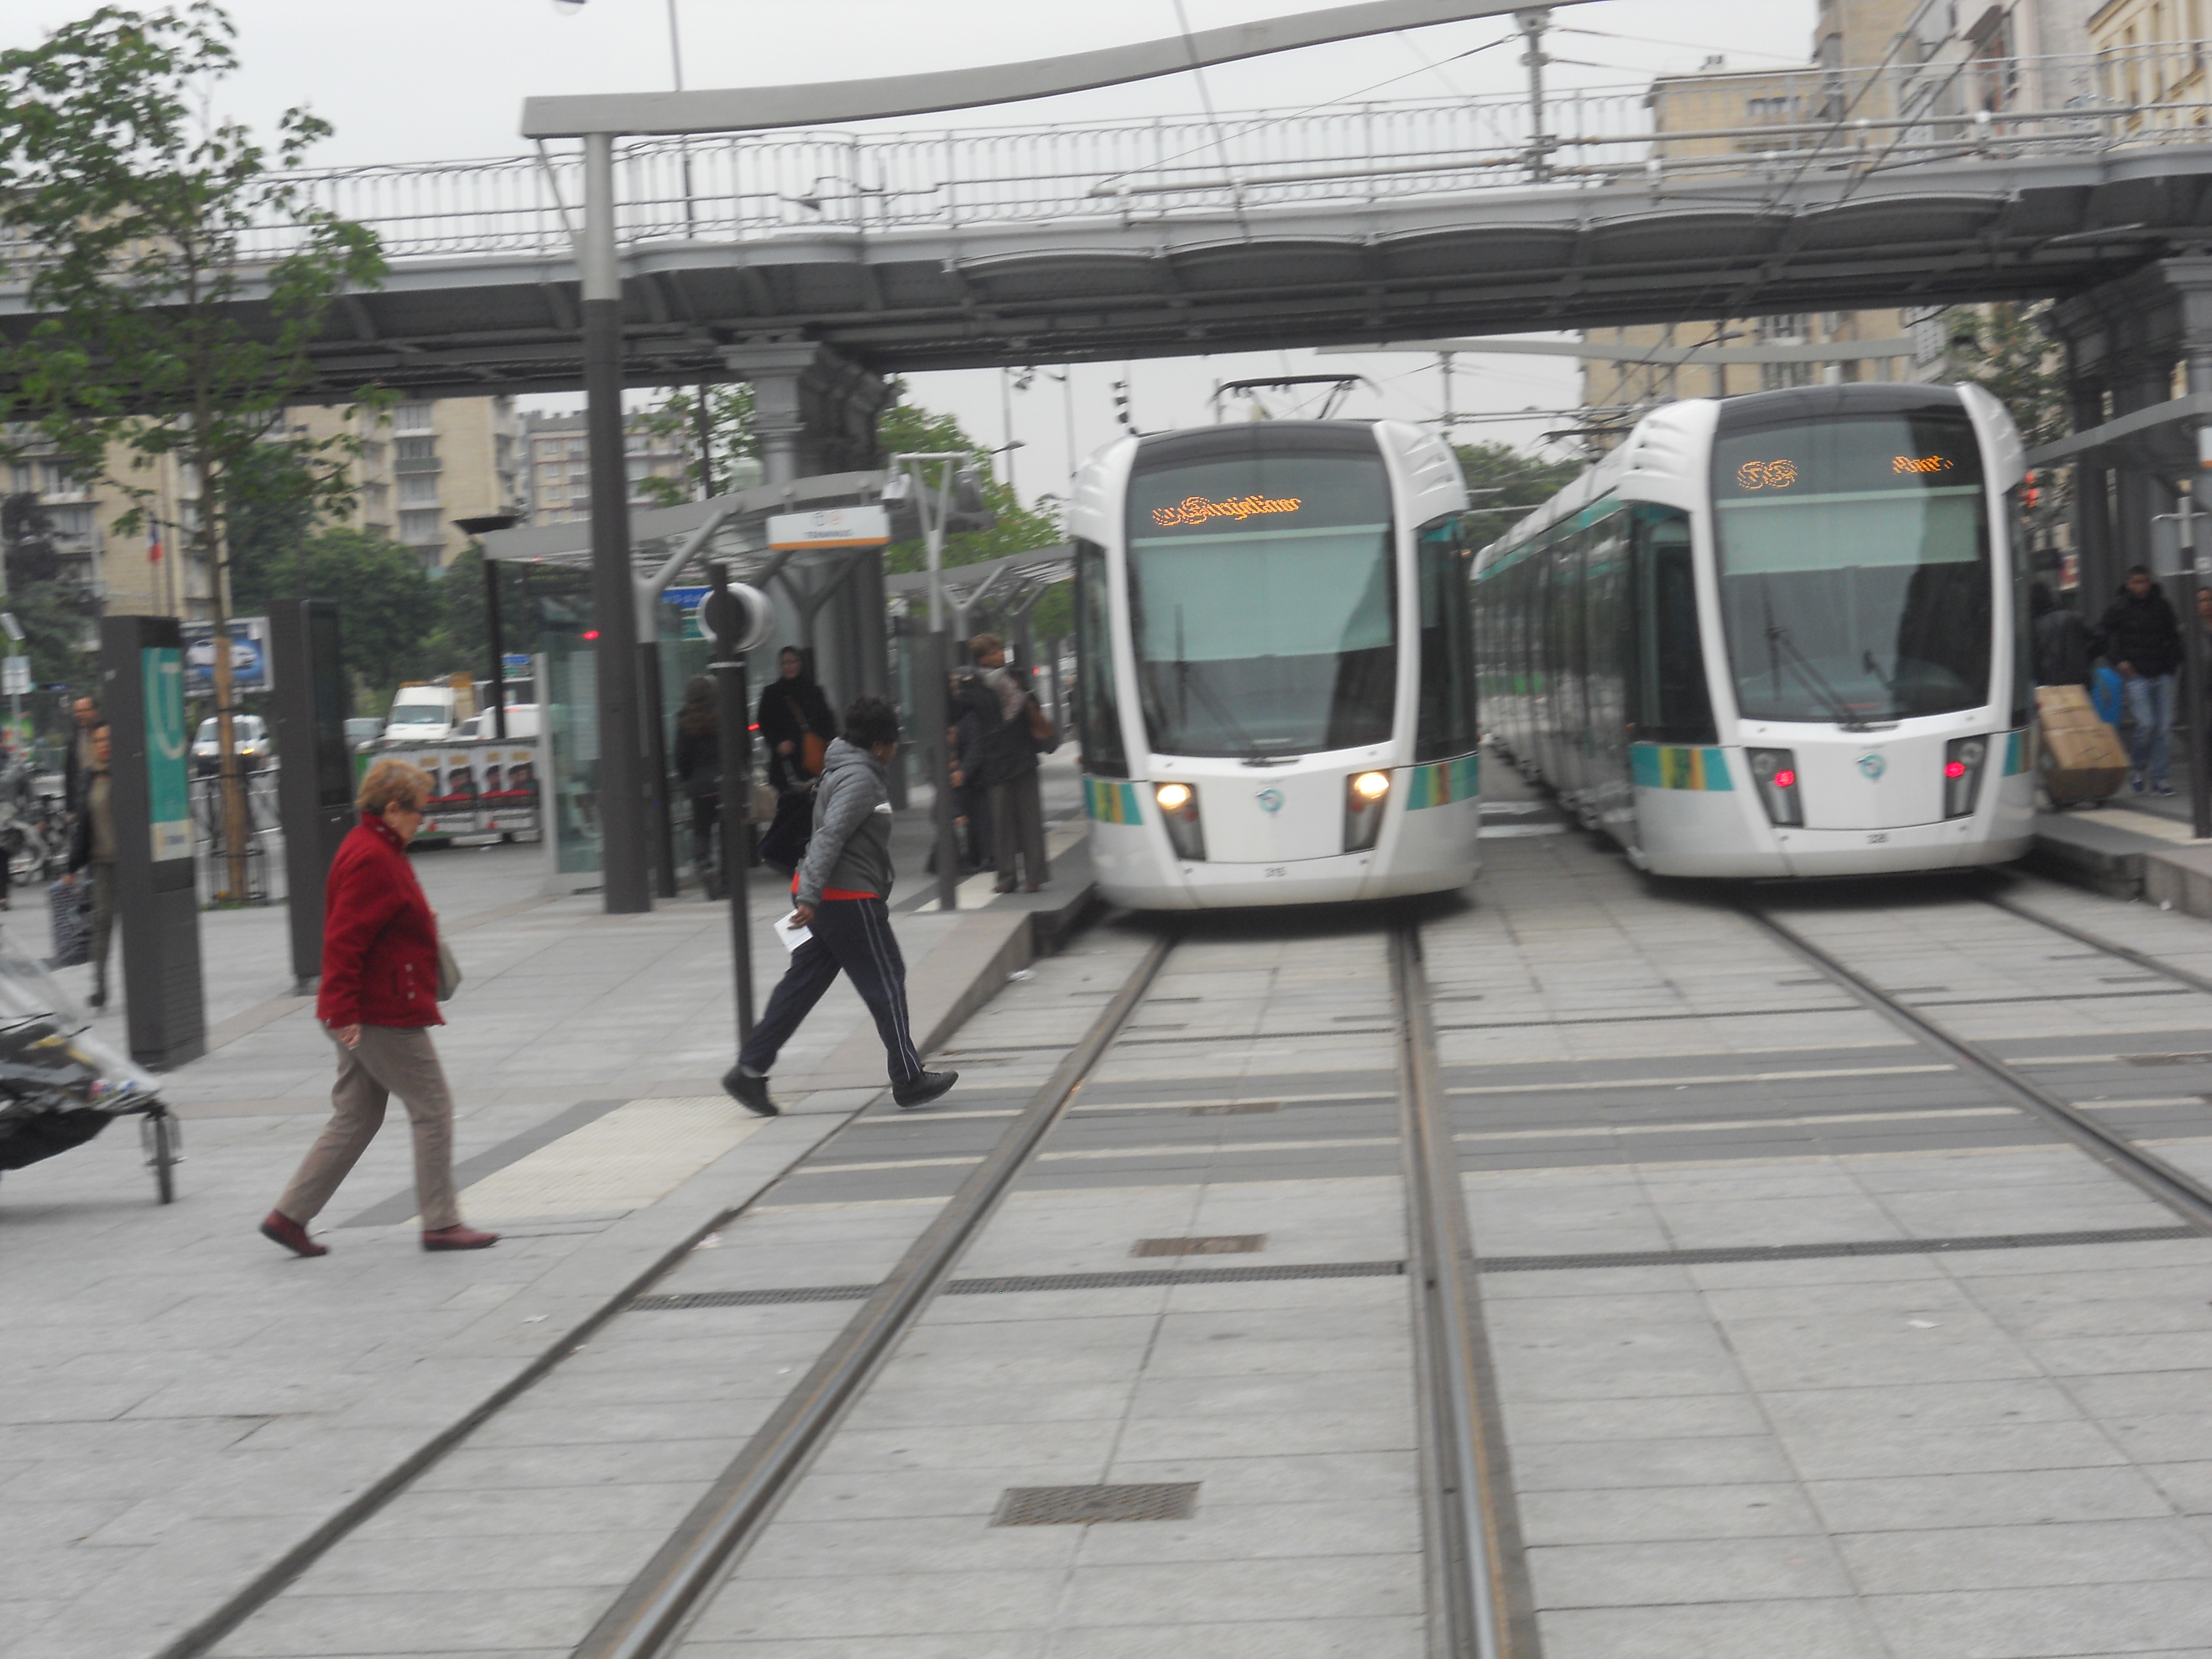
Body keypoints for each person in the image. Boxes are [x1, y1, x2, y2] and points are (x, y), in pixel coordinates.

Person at [260, 759, 497, 1258]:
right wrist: (343, 1013)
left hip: (367, 1006)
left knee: (357, 1115)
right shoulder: (373, 856)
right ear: (392, 809)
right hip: (379, 1011)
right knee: (433, 1107)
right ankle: (441, 1222)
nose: (423, 821)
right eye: (418, 812)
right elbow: (344, 941)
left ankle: (289, 1217)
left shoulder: (375, 846)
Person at [723, 694, 957, 1117]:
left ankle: (749, 1070)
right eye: (893, 742)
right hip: (845, 898)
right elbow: (830, 836)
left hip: (829, 897)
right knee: (886, 979)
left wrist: (810, 894)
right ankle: (908, 1077)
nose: (895, 750)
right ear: (881, 743)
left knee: (803, 985)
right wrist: (810, 896)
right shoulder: (860, 779)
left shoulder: (846, 768)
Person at [971, 633, 1048, 894]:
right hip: (995, 762)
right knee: (1001, 825)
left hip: (1022, 756)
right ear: (982, 658)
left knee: (1030, 819)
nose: (1001, 654)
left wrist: (1025, 697)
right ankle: (1006, 877)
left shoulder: (1015, 676)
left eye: (1001, 649)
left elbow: (1033, 705)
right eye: (995, 651)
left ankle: (1035, 876)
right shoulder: (974, 686)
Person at [2098, 565, 2186, 795]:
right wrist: (2119, 661)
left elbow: (2173, 636)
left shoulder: (2162, 606)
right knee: (2147, 725)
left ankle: (2160, 777)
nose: (2141, 586)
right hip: (2136, 675)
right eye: (2137, 582)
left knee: (2164, 728)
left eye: (2144, 581)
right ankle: (2138, 768)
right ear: (2129, 584)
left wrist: (2172, 663)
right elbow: (2104, 635)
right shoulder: (2119, 607)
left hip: (2162, 673)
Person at [64, 722, 116, 1009]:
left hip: (131, 865)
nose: (104, 744)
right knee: (102, 925)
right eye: (98, 741)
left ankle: (142, 981)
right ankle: (99, 985)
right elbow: (82, 827)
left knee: (136, 928)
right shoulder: (88, 778)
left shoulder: (128, 774)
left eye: (108, 739)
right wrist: (72, 866)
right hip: (102, 864)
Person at [755, 645, 837, 793]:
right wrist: (778, 743)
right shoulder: (772, 693)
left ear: (801, 663)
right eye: (785, 663)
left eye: (793, 662)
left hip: (812, 758)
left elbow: (827, 721)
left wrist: (827, 741)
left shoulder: (814, 691)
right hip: (785, 762)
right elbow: (764, 722)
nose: (789, 667)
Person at [672, 675, 723, 899]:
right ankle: (727, 879)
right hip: (723, 783)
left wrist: (689, 779)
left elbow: (681, 757)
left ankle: (705, 866)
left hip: (699, 785)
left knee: (702, 831)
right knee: (726, 830)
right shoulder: (721, 717)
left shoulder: (685, 721)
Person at [2031, 582, 2095, 690]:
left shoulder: (2034, 627)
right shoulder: (2073, 618)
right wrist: (2085, 659)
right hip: (2078, 683)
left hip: (2048, 684)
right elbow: (2099, 638)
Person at [62, 696, 99, 811]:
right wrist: (70, 810)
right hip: (84, 805)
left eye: (85, 710)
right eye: (78, 712)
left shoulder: (105, 735)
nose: (81, 715)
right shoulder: (74, 742)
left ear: (95, 711)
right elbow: (70, 777)